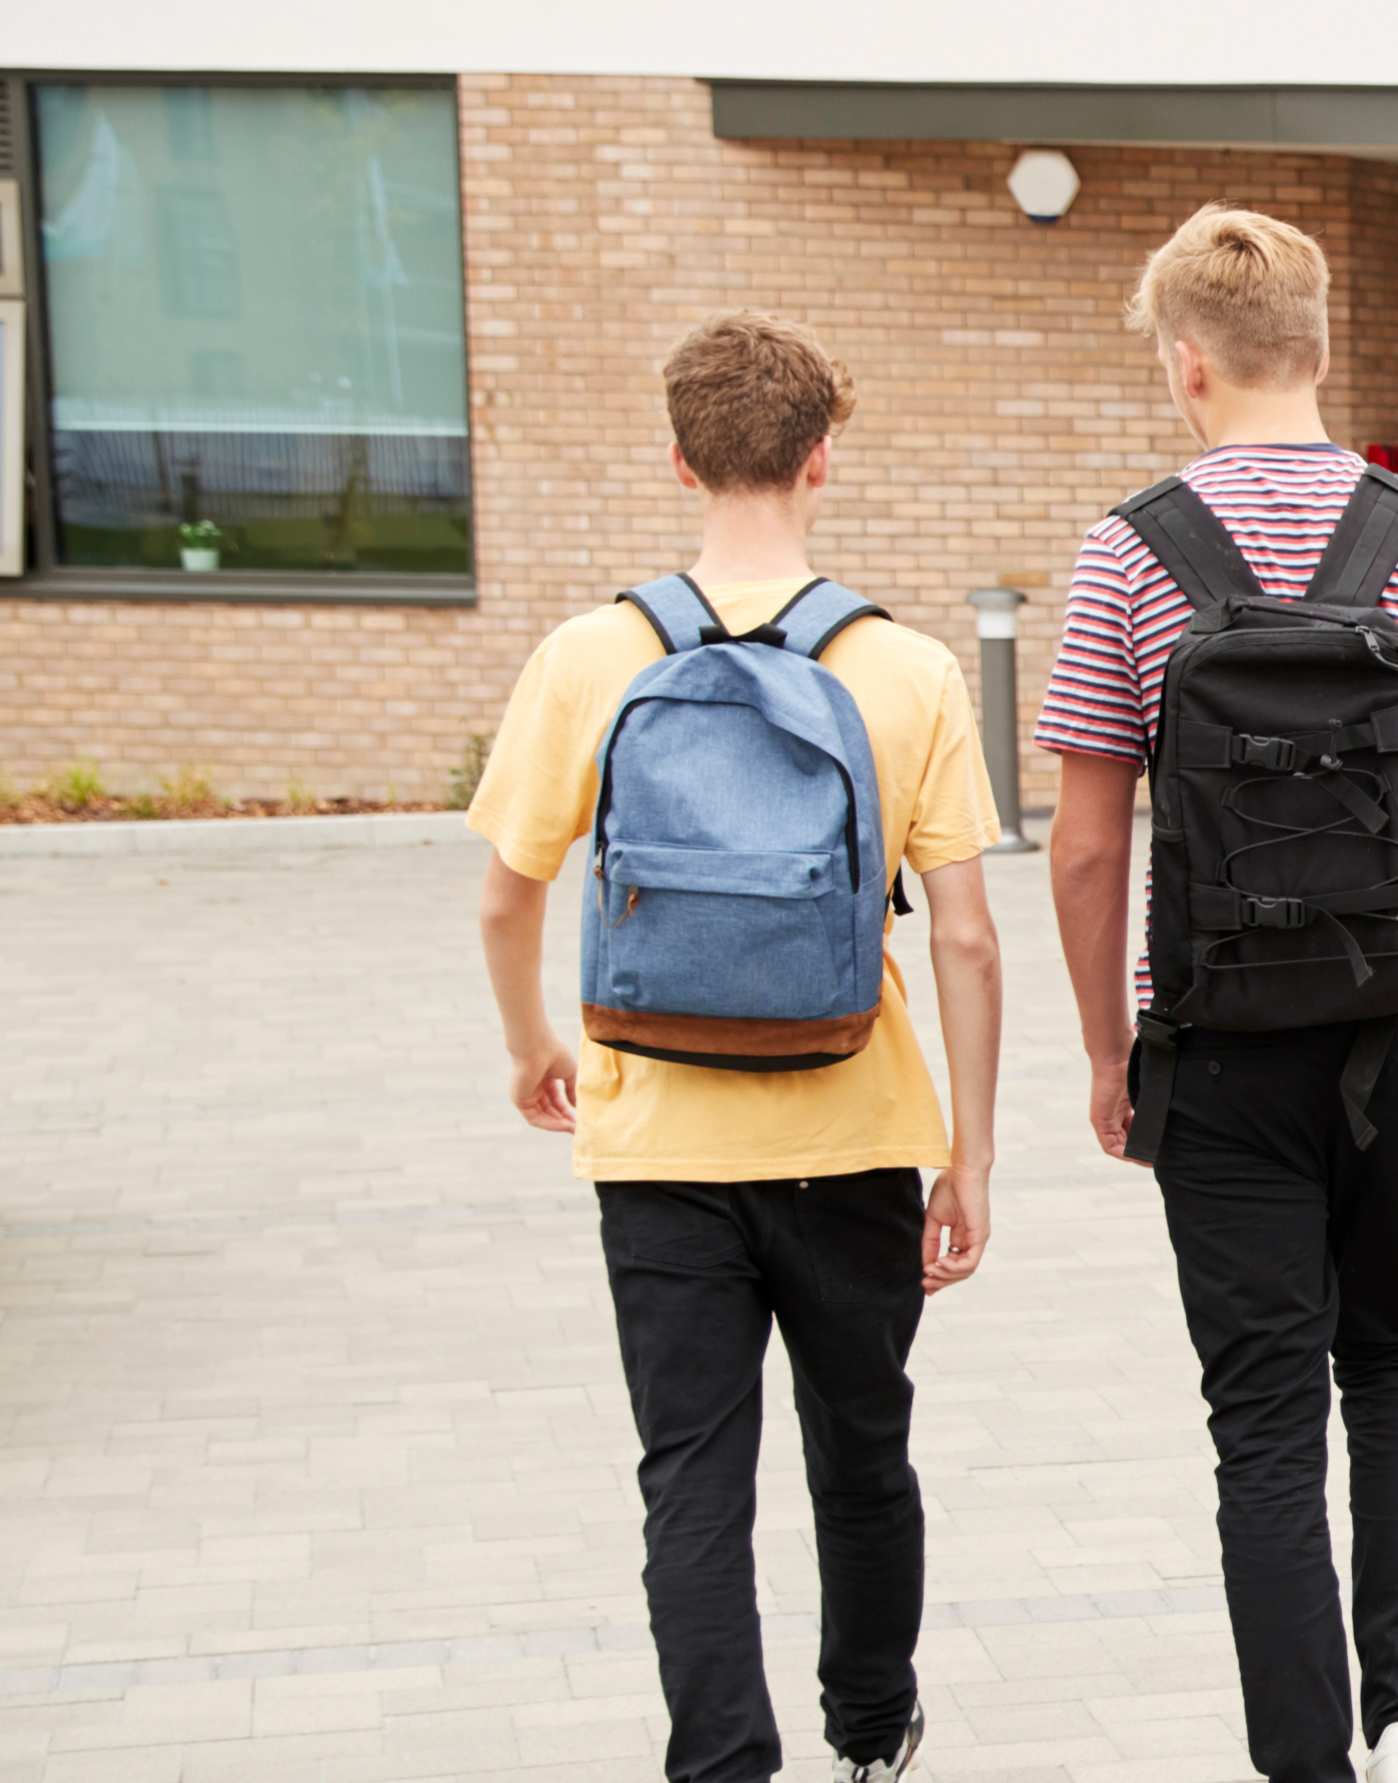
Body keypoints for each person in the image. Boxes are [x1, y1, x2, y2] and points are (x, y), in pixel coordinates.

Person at [1035, 203, 1398, 1783]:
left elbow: (1086, 848)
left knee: (1264, 1413)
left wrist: (1106, 1047)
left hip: (1216, 1043)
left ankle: (1306, 1761)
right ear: (1328, 347)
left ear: (1181, 363)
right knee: (1397, 1356)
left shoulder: (1127, 553)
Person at [469, 311, 1001, 1783]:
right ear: (824, 456)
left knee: (692, 1478)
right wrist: (970, 1150)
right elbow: (963, 934)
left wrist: (534, 1046)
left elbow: (508, 894)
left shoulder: (591, 654)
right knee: (863, 1454)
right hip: (855, 1133)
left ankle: (721, 1761)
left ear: (681, 457)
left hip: (655, 1140)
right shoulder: (905, 668)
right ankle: (868, 1734)